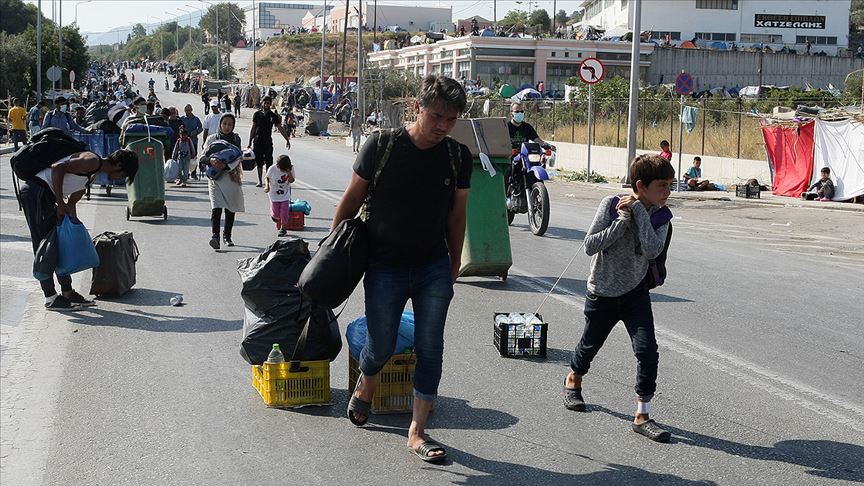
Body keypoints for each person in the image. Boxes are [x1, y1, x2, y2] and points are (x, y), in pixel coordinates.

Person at [335, 75, 472, 463]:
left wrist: (454, 261)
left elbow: (457, 214)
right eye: (437, 116)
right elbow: (351, 199)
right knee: (381, 344)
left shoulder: (457, 156)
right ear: (417, 108)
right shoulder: (381, 145)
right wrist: (334, 255)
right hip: (384, 266)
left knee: (431, 347)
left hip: (432, 267)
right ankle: (367, 382)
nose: (443, 126)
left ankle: (417, 431)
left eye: (452, 119)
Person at [563, 154, 675, 443]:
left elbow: (651, 250)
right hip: (602, 290)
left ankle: (642, 415)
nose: (668, 191)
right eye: (662, 185)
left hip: (635, 292)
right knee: (590, 345)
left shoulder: (661, 216)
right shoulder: (611, 205)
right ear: (641, 185)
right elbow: (590, 245)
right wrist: (622, 220)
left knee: (647, 351)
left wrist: (638, 212)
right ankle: (573, 378)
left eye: (670, 185)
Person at [20, 149, 139, 310]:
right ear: (118, 165)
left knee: (60, 244)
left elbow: (74, 196)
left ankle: (67, 293)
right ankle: (50, 297)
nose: (121, 179)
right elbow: (57, 168)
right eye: (124, 175)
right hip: (36, 192)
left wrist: (72, 219)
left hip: (46, 195)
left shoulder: (94, 172)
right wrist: (60, 202)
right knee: (44, 245)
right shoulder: (92, 161)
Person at [202, 113, 245, 249]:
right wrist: (211, 161)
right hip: (215, 178)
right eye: (224, 123)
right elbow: (203, 157)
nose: (227, 127)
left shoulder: (236, 139)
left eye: (230, 124)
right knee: (216, 207)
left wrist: (225, 166)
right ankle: (215, 236)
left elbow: (238, 158)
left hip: (231, 176)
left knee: (230, 208)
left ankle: (227, 236)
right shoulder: (212, 139)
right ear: (220, 124)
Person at [248, 96, 290, 187]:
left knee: (269, 162)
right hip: (257, 141)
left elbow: (280, 128)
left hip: (267, 142)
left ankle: (268, 181)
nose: (266, 105)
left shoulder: (273, 116)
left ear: (270, 104)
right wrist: (250, 141)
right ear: (262, 103)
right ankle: (260, 181)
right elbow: (253, 128)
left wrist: (287, 139)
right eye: (265, 103)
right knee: (259, 162)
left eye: (268, 103)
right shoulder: (257, 114)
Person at [263, 154, 296, 237]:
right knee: (276, 215)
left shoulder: (290, 168)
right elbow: (267, 177)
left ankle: (283, 228)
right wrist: (267, 186)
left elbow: (292, 180)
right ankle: (274, 216)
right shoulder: (273, 168)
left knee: (284, 213)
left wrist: (288, 172)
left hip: (285, 194)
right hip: (274, 194)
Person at [180, 104, 204, 179]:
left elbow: (201, 127)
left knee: (193, 157)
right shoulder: (182, 119)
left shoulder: (196, 119)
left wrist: (196, 131)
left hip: (193, 141)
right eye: (186, 110)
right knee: (184, 157)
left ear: (191, 110)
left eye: (189, 110)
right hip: (184, 142)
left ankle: (193, 173)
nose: (188, 112)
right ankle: (186, 173)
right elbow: (179, 127)